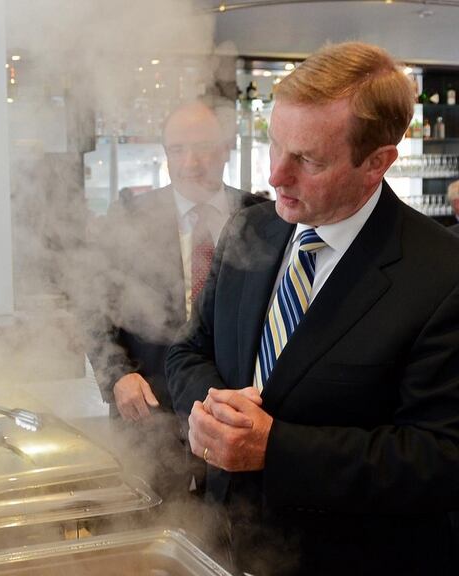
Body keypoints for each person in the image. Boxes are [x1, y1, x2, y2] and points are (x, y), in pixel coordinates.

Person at [166, 42, 459, 575]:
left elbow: (440, 456)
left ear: (377, 162)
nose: (276, 174)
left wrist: (275, 448)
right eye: (275, 143)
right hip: (226, 541)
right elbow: (189, 350)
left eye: (307, 159)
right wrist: (209, 413)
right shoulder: (248, 228)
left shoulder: (441, 274)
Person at [87, 99, 264, 423]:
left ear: (226, 148)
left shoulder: (262, 218)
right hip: (149, 408)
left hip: (237, 411)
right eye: (177, 149)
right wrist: (116, 376)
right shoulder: (129, 218)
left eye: (203, 148)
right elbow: (94, 307)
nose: (190, 162)